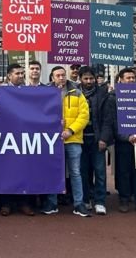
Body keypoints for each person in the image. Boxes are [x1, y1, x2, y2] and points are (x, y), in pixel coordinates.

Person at [45, 66, 90, 217]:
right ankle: (52, 203)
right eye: (58, 75)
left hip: (73, 139)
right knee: (53, 171)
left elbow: (84, 115)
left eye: (63, 75)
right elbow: (40, 113)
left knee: (75, 172)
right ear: (52, 78)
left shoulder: (77, 92)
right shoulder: (45, 93)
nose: (61, 78)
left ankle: (79, 204)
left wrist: (70, 130)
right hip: (52, 140)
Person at [78, 66, 115, 215]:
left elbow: (108, 119)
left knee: (100, 172)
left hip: (97, 138)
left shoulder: (103, 94)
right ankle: (85, 199)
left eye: (91, 78)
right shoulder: (74, 93)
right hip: (79, 139)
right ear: (80, 79)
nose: (89, 81)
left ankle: (100, 201)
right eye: (85, 78)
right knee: (82, 171)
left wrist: (103, 139)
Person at [114, 67, 136, 214]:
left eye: (133, 78)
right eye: (128, 78)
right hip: (124, 143)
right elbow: (113, 121)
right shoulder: (115, 97)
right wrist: (126, 136)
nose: (131, 80)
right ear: (121, 80)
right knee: (123, 171)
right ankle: (124, 199)